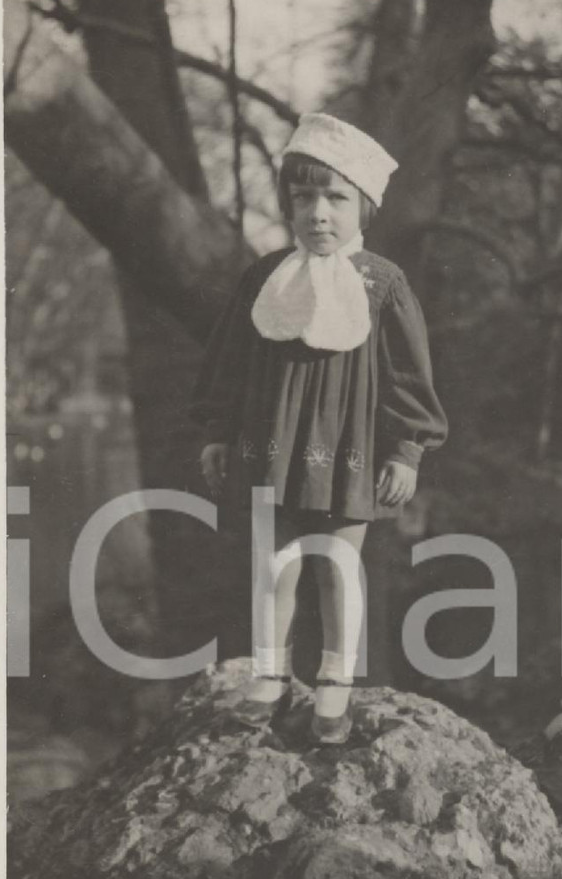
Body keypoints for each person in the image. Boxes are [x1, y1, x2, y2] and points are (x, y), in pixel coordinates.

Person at [190, 113, 447, 743]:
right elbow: (229, 359)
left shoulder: (382, 284)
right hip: (271, 446)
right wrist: (218, 431)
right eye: (303, 198)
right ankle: (271, 676)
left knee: (335, 564)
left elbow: (409, 375)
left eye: (336, 197)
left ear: (364, 207)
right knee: (274, 563)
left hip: (349, 449)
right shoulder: (267, 276)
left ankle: (334, 685)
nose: (318, 213)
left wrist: (407, 449)